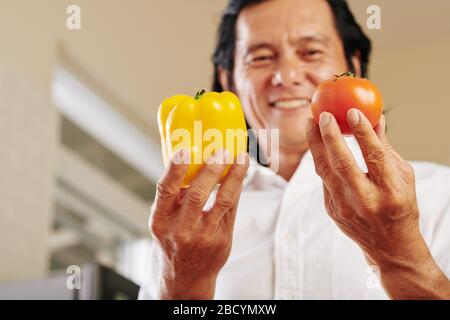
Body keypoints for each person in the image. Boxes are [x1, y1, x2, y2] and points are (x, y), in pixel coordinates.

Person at [139, 0, 450, 299]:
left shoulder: (440, 195)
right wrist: (185, 282)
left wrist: (398, 253)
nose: (286, 76)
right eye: (260, 57)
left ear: (352, 64)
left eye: (311, 51)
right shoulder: (187, 228)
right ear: (228, 78)